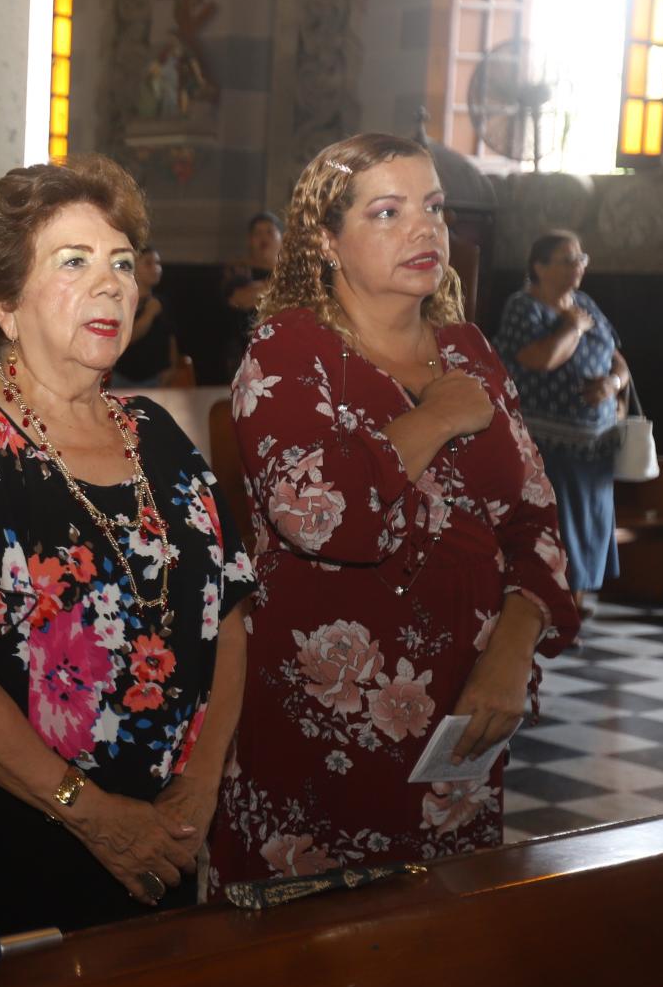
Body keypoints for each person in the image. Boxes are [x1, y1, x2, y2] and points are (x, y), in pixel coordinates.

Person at [0, 155, 257, 936]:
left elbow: (229, 611)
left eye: (120, 263)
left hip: (165, 835)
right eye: (74, 262)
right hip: (11, 837)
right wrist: (95, 815)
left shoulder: (157, 437)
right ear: (5, 303)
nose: (111, 284)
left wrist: (200, 788)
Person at [208, 133, 579, 889]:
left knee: (438, 973)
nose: (425, 229)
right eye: (387, 211)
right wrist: (436, 416)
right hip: (320, 755)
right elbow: (319, 516)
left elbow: (537, 522)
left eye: (433, 207)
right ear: (327, 241)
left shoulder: (470, 350)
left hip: (462, 739)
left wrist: (511, 653)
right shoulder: (288, 351)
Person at [494, 231, 631, 616]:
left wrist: (612, 383)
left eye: (581, 258)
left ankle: (576, 601)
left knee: (589, 526)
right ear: (539, 267)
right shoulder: (524, 308)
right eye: (567, 259)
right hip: (547, 446)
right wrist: (572, 328)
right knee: (556, 527)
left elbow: (618, 359)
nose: (579, 266)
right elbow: (541, 360)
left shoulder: (585, 304)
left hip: (593, 445)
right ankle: (548, 607)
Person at [220, 211, 282, 376]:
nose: (264, 237)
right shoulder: (239, 271)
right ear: (250, 240)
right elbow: (239, 299)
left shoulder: (294, 274)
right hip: (247, 364)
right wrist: (278, 283)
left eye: (270, 232)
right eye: (258, 233)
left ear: (282, 238)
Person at [113, 245, 181, 386]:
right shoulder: (121, 301)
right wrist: (149, 314)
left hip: (156, 378)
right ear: (133, 269)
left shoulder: (162, 302)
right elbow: (127, 338)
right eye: (148, 263)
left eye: (158, 263)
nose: (155, 268)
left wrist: (172, 368)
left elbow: (171, 339)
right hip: (123, 378)